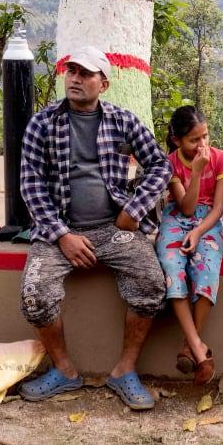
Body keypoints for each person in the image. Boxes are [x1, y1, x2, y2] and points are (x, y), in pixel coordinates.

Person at [17, 46, 171, 411]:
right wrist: (62, 235)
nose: (75, 78)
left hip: (113, 229)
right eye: (71, 71)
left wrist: (133, 211)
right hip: (59, 231)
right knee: (34, 293)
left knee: (151, 283)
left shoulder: (123, 121)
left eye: (85, 73)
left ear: (103, 83)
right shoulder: (43, 122)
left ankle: (124, 370)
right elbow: (30, 184)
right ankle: (64, 370)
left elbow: (160, 167)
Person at [157, 105, 223, 385]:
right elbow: (186, 208)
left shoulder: (221, 160)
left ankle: (190, 346)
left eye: (205, 136)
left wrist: (199, 232)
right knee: (172, 270)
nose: (202, 145)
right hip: (176, 217)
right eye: (194, 140)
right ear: (177, 141)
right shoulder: (171, 163)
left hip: (208, 222)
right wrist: (196, 173)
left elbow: (217, 208)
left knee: (207, 271)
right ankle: (199, 349)